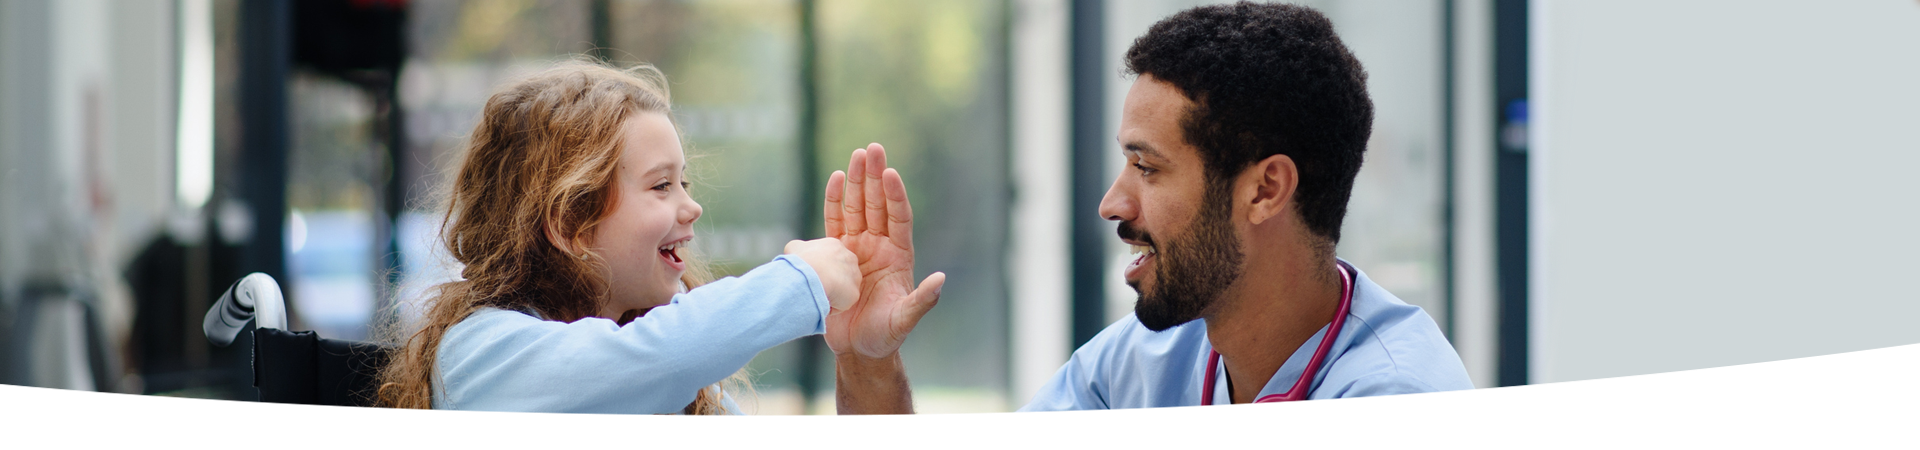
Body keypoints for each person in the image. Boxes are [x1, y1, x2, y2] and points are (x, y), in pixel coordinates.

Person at [373, 60, 939, 415]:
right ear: (568, 222)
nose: (691, 206)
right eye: (661, 185)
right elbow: (643, 362)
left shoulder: (688, 390)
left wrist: (867, 360)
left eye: (684, 182)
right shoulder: (478, 355)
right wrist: (800, 285)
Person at [1018, 2, 1472, 410]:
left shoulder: (1396, 385)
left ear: (1264, 190)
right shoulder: (1141, 360)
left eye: (1147, 167)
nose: (1111, 205)